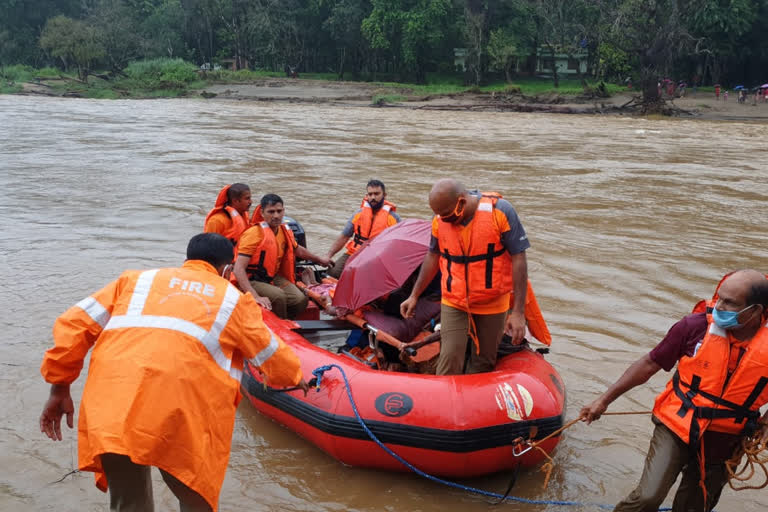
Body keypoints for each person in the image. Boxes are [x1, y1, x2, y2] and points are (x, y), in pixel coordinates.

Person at [39, 233, 307, 512]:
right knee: (196, 499)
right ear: (227, 269)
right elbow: (271, 355)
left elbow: (73, 324)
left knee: (129, 504)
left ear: (187, 259)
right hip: (181, 417)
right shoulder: (234, 300)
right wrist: (298, 378)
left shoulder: (134, 281)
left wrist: (59, 388)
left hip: (113, 407)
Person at [580, 270, 768, 512]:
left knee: (695, 507)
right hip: (676, 424)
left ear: (756, 311)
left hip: (726, 438)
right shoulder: (694, 327)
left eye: (730, 303)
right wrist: (603, 400)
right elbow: (649, 364)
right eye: (719, 297)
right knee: (648, 497)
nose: (718, 306)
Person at [400, 179, 529, 375]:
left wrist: (518, 312)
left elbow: (519, 258)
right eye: (439, 215)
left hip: (492, 302)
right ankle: (446, 400)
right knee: (449, 358)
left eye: (447, 214)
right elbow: (433, 256)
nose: (443, 219)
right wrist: (414, 295)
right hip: (454, 302)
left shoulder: (501, 212)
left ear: (461, 202)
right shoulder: (440, 220)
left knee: (483, 362)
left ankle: (473, 400)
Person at [233, 193, 332, 319]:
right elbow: (238, 269)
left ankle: (284, 320)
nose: (276, 215)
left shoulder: (284, 230)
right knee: (278, 296)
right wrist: (255, 296)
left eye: (279, 211)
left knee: (300, 299)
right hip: (252, 279)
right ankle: (282, 325)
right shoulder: (253, 234)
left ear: (284, 211)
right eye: (271, 212)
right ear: (262, 213)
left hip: (272, 276)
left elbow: (298, 250)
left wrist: (319, 259)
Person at [326, 179, 401, 279]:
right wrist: (328, 255)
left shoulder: (394, 218)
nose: (373, 197)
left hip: (378, 257)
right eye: (370, 194)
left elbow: (399, 244)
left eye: (376, 194)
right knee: (333, 272)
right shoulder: (358, 214)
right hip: (354, 253)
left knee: (367, 279)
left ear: (384, 195)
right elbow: (344, 236)